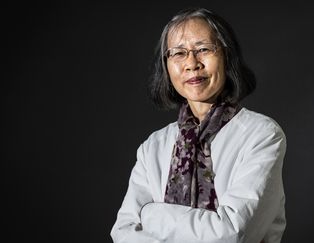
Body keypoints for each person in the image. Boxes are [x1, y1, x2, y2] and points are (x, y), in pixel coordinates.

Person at [110, 7, 287, 243]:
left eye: (203, 49)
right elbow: (123, 233)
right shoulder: (152, 147)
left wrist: (151, 214)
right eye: (178, 53)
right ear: (166, 65)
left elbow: (232, 235)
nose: (192, 64)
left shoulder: (262, 135)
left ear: (226, 55)